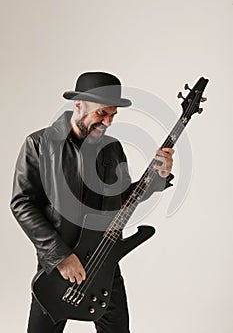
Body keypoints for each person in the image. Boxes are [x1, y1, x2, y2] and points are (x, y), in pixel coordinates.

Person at [10, 72, 174, 333]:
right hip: (58, 267)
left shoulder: (112, 149)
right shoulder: (39, 144)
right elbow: (22, 204)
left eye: (112, 115)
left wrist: (158, 178)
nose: (107, 122)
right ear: (79, 105)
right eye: (101, 114)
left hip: (105, 262)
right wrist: (60, 256)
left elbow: (122, 202)